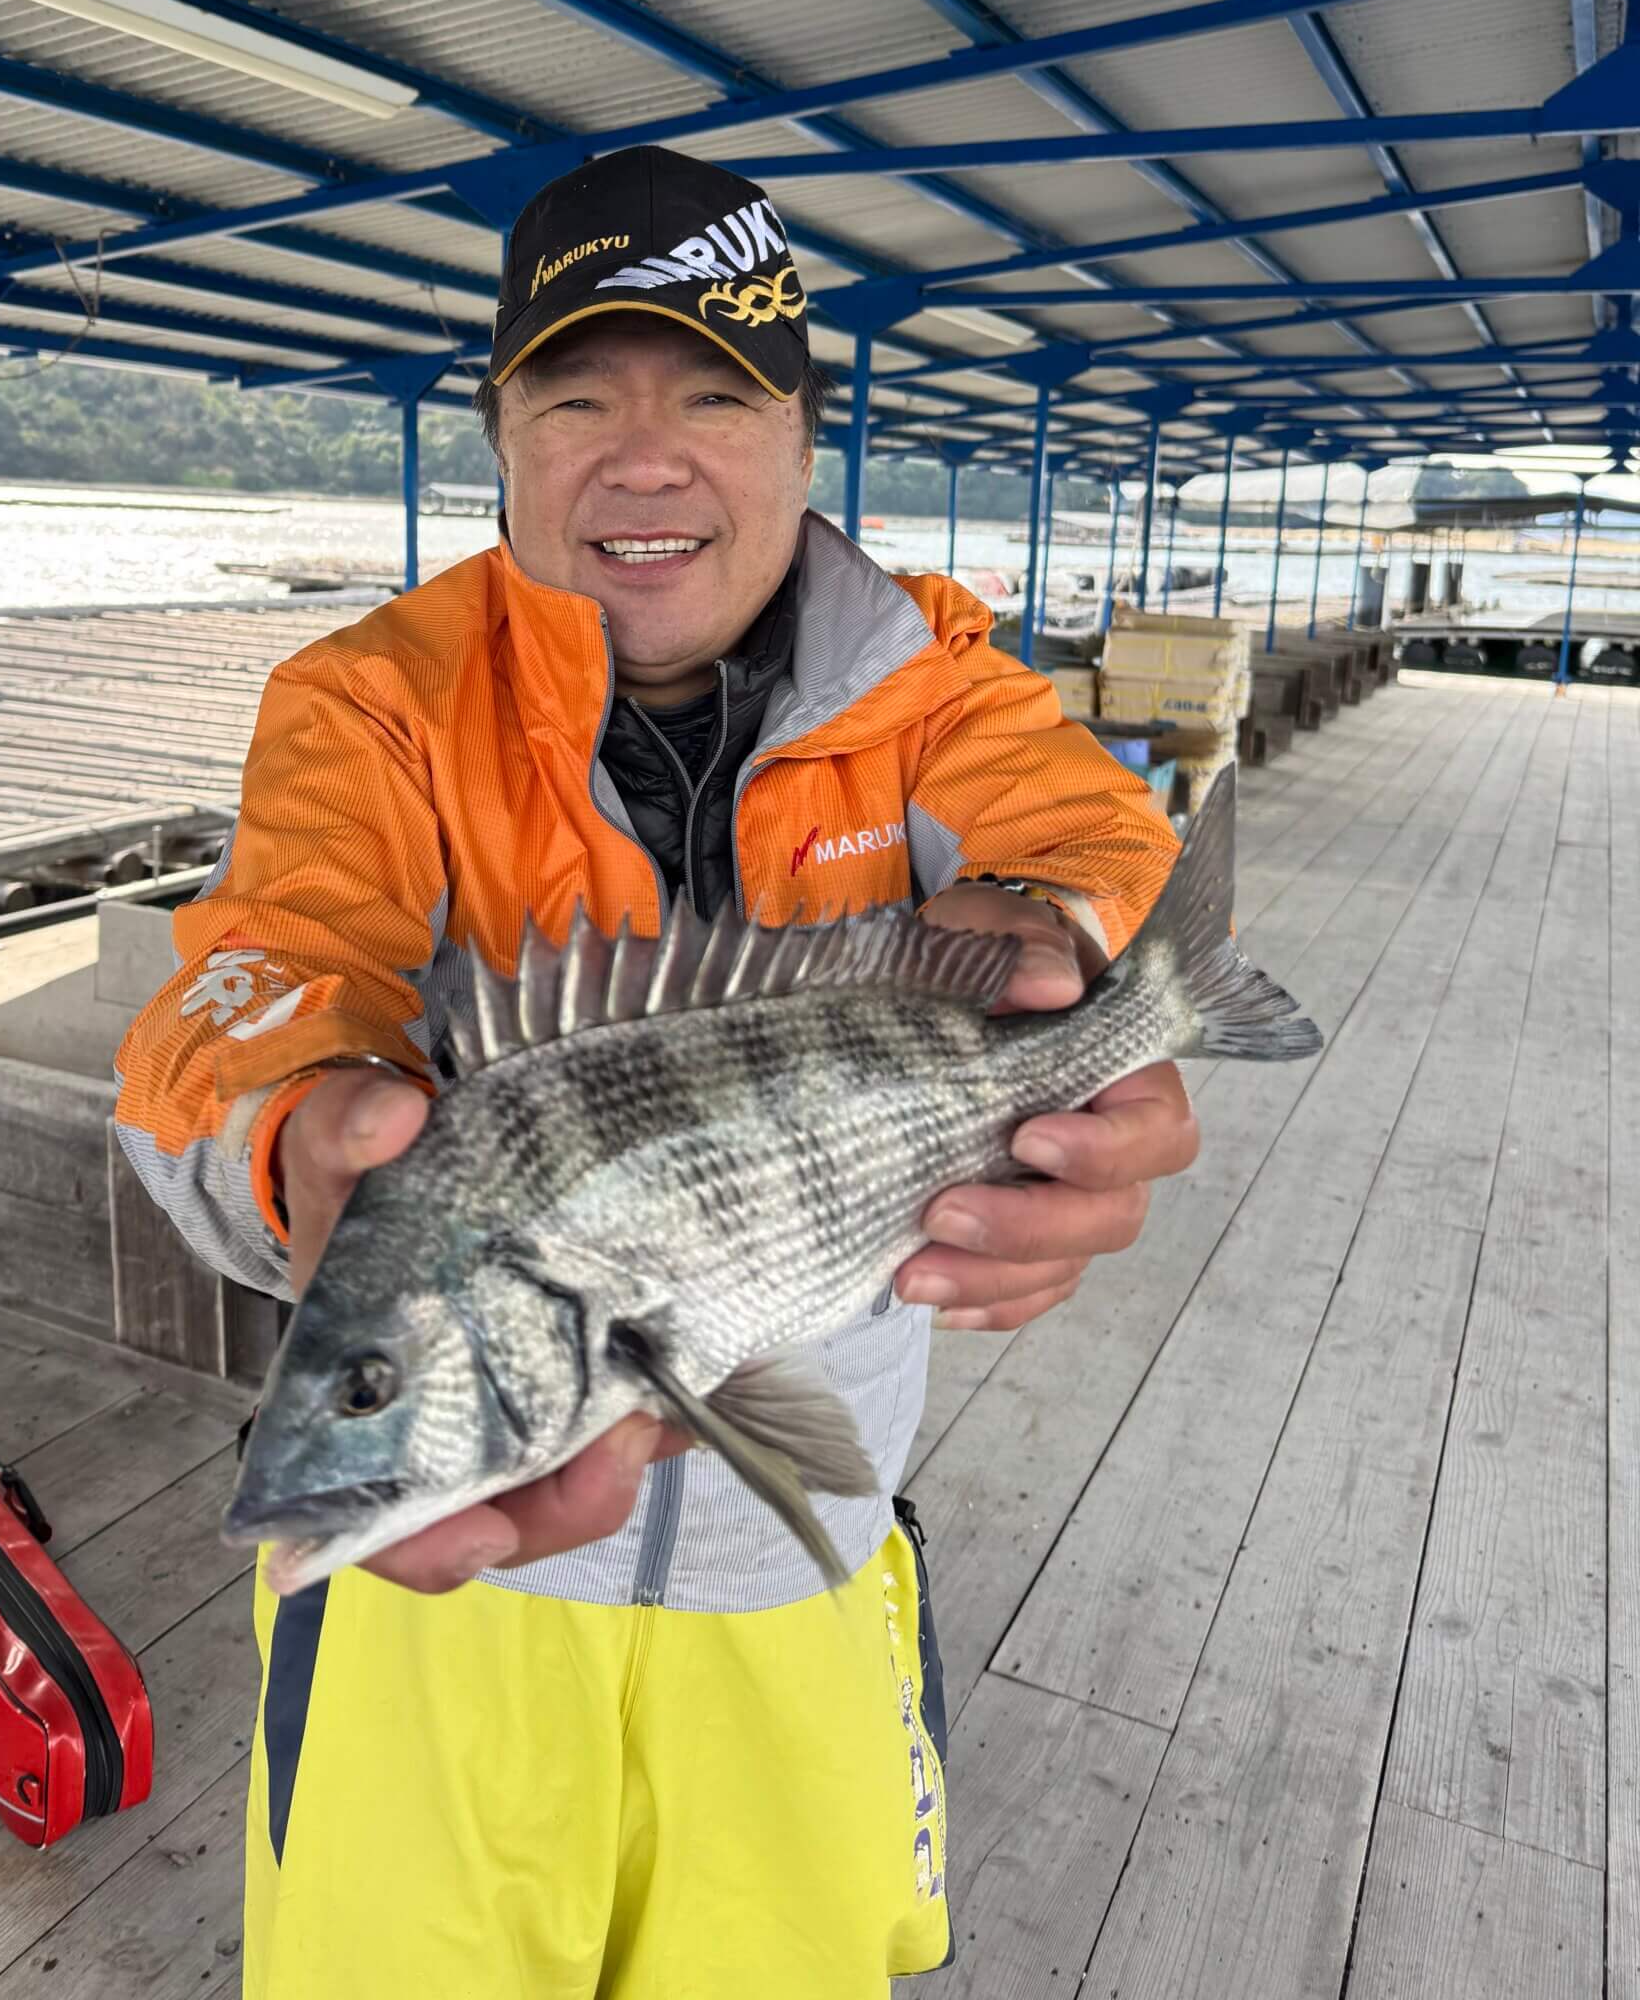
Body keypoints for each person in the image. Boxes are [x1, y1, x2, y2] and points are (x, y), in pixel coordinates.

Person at [113, 145, 1193, 1997]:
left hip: (802, 1553)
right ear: (501, 432)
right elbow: (267, 961)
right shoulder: (373, 701)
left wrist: (1041, 948)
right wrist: (292, 1124)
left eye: (716, 393)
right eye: (575, 395)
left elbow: (1080, 823)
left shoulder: (937, 685)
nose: (646, 454)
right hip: (439, 1593)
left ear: (801, 432)